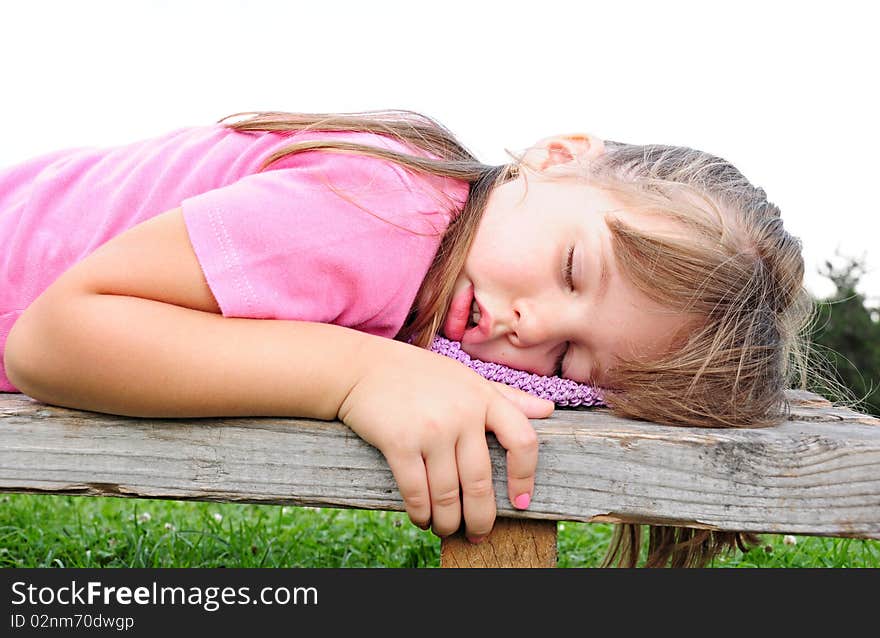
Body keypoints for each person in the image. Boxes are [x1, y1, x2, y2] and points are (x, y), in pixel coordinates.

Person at [0, 110, 815, 567]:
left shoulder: (442, 249)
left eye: (567, 362)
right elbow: (51, 340)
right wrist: (356, 372)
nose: (528, 329)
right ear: (557, 157)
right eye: (572, 268)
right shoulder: (385, 213)